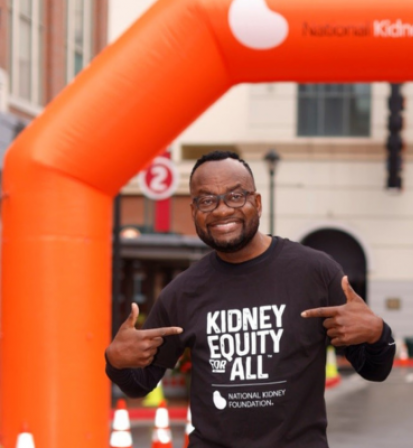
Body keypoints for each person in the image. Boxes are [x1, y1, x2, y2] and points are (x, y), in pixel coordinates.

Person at [105, 151, 396, 448]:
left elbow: (375, 370)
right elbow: (140, 384)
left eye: (235, 196)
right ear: (194, 211)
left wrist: (377, 333)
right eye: (207, 200)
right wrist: (116, 362)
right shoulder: (182, 293)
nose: (220, 211)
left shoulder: (315, 272)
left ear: (256, 202)